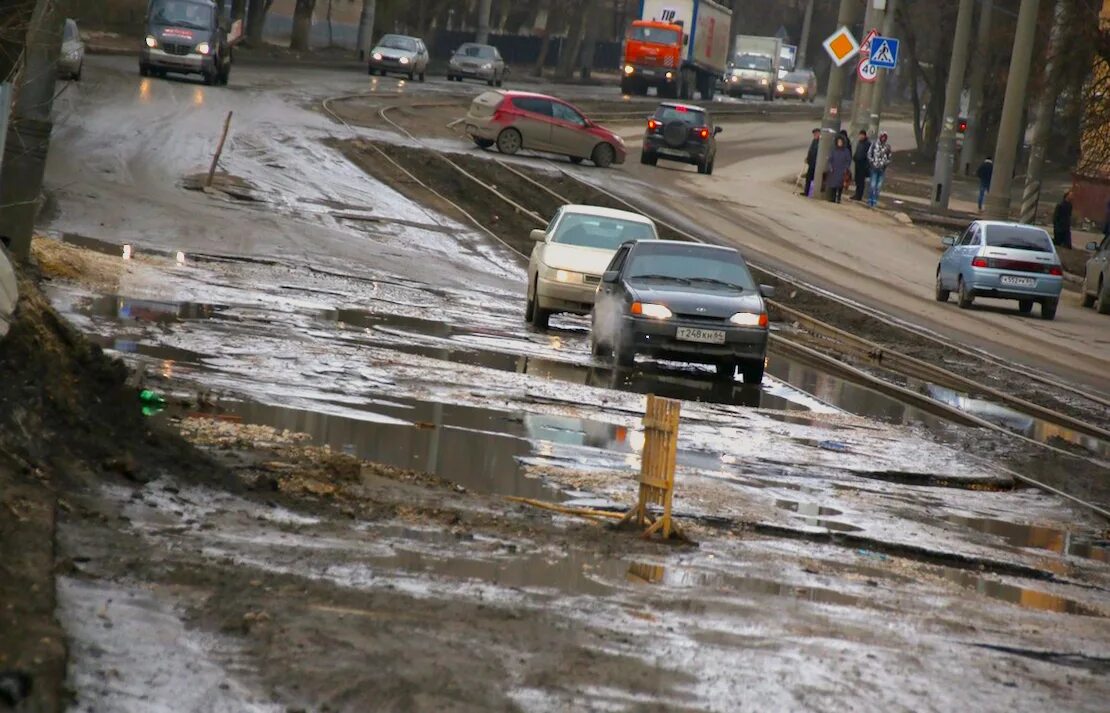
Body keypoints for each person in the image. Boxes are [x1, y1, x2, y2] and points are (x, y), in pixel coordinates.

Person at [867, 131, 892, 208]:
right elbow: (869, 154)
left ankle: (875, 200)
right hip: (874, 168)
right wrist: (872, 162)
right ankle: (870, 199)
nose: (883, 138)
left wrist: (885, 164)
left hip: (882, 169)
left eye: (885, 137)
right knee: (873, 185)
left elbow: (889, 157)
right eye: (882, 137)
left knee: (878, 186)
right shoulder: (874, 144)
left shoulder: (887, 147)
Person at [827, 135, 853, 204]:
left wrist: (846, 168)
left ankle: (838, 198)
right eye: (838, 142)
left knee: (840, 185)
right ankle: (832, 198)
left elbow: (848, 160)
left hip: (842, 170)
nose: (840, 143)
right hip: (834, 169)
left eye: (841, 142)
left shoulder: (846, 151)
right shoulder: (834, 150)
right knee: (833, 185)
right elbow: (830, 159)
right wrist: (830, 167)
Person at [852, 130, 872, 201]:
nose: (860, 136)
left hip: (863, 165)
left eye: (862, 135)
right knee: (857, 180)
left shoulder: (867, 144)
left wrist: (867, 165)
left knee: (861, 181)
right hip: (857, 163)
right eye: (860, 135)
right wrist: (854, 157)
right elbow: (857, 152)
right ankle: (856, 194)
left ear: (864, 135)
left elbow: (868, 155)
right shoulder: (859, 142)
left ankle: (859, 196)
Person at [803, 128, 820, 197]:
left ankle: (811, 193)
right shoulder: (814, 141)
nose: (815, 135)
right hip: (811, 163)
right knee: (808, 178)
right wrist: (807, 158)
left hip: (816, 164)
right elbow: (810, 151)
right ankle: (806, 192)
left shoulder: (820, 142)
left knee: (813, 179)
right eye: (814, 134)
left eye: (816, 134)